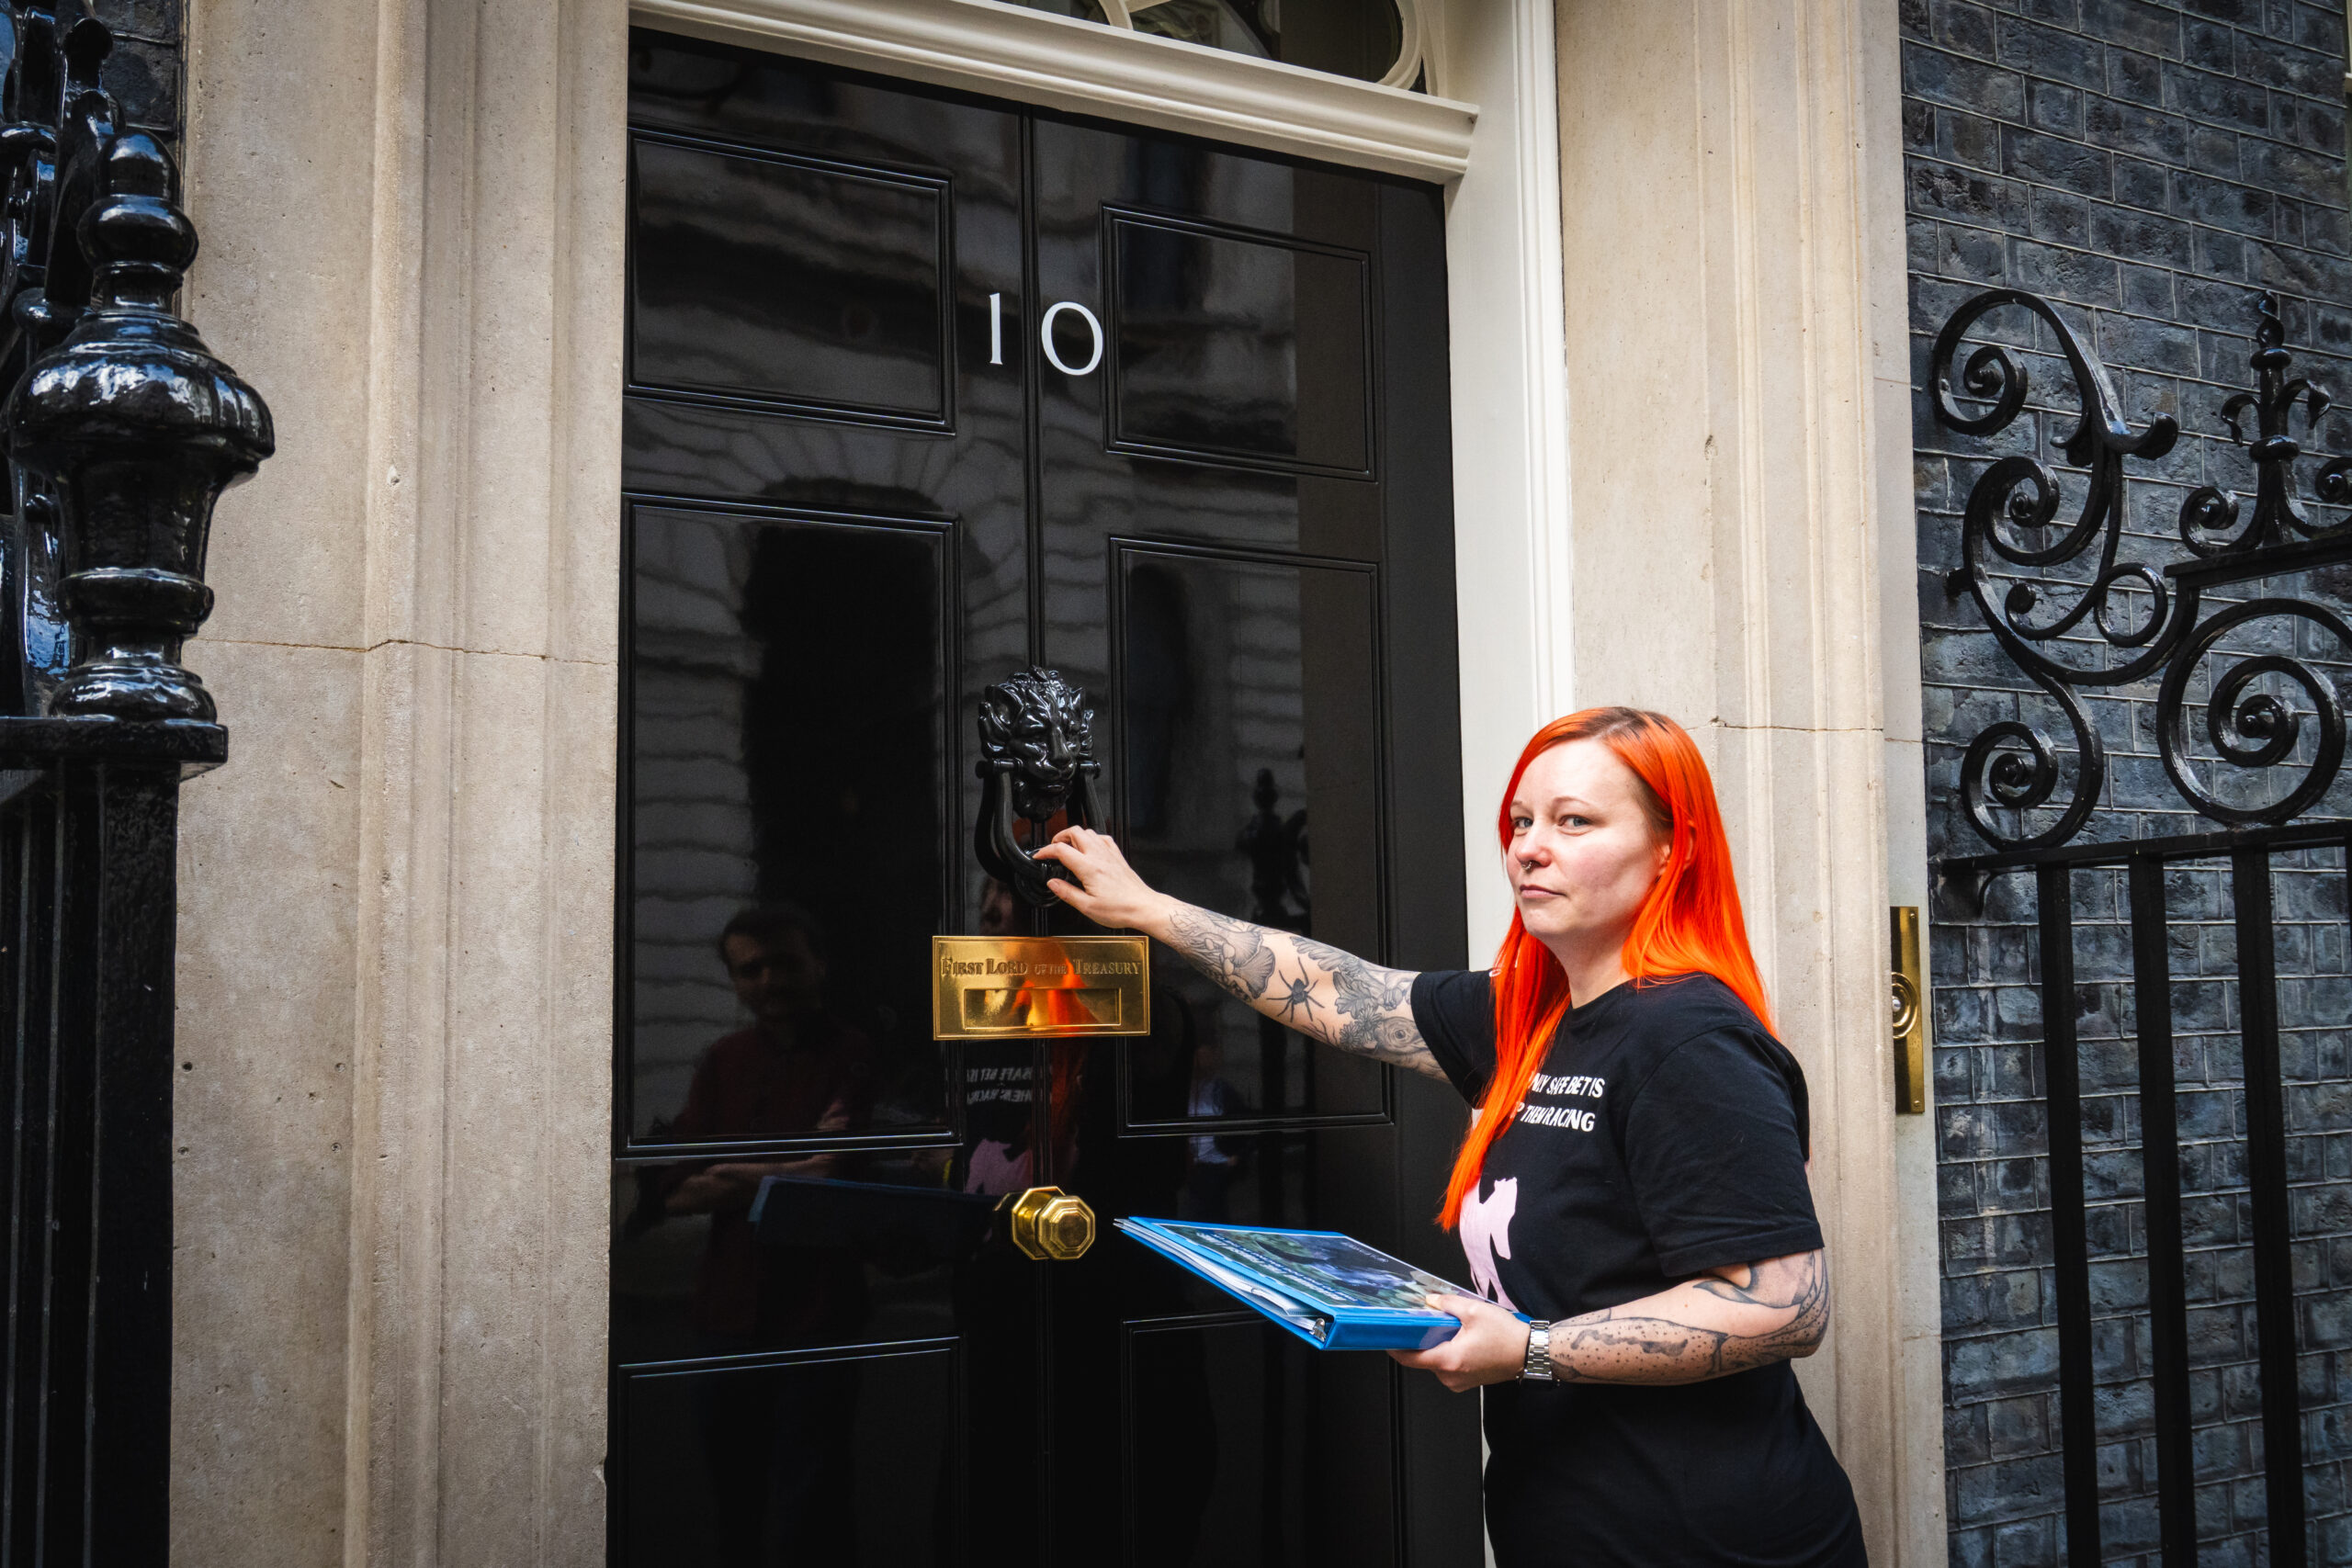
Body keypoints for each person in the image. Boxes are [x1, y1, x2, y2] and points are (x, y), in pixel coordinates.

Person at [1034, 706, 1866, 1568]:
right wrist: (1150, 909)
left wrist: (1531, 1348)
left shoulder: (1691, 1041)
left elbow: (1784, 1306)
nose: (1529, 848)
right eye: (1522, 821)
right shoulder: (1527, 1016)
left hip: (1711, 1540)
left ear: (1671, 848)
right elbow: (1346, 993)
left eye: (1575, 821)